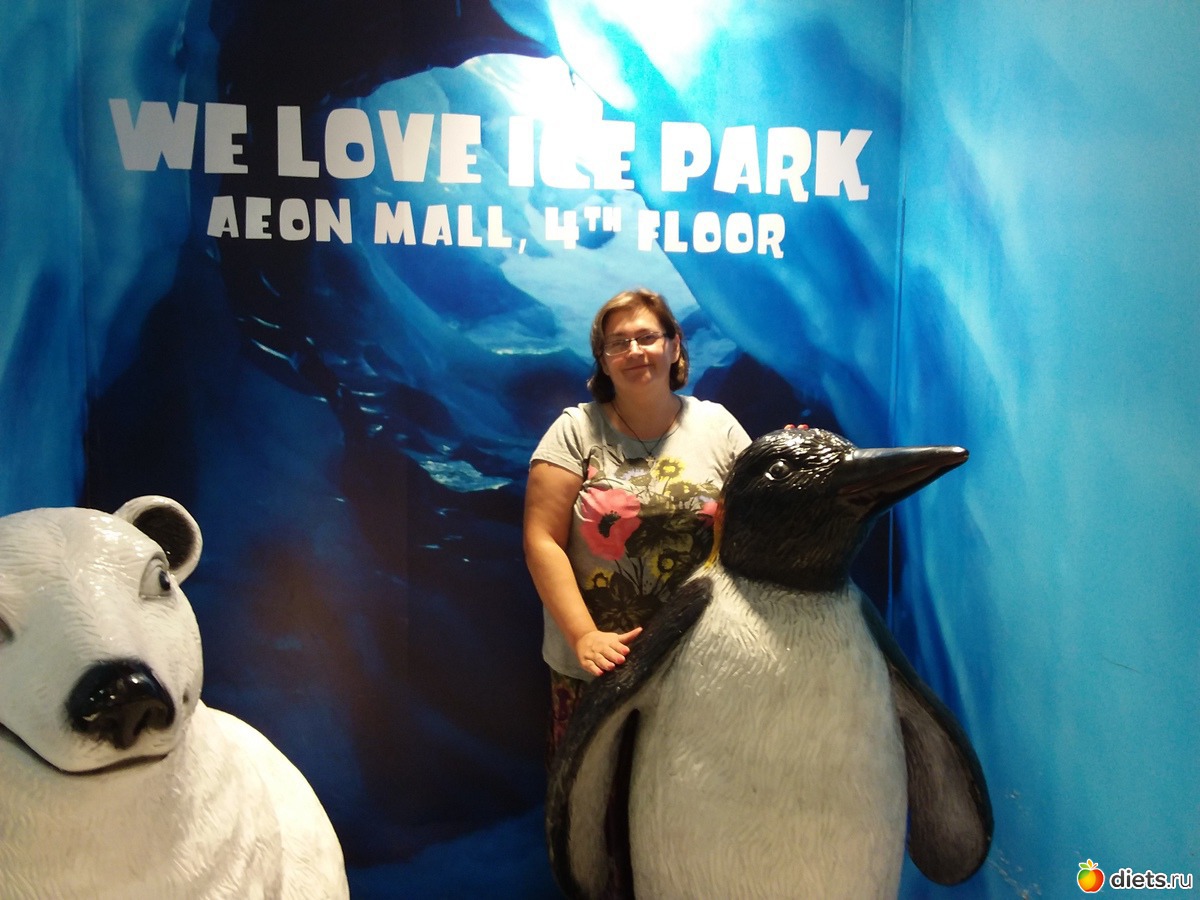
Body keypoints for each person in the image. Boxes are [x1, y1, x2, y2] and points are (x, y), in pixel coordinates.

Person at [524, 288, 750, 759]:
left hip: (699, 659)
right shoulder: (574, 430)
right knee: (594, 795)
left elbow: (759, 519)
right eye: (617, 343)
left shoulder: (719, 426)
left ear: (674, 345)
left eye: (647, 337)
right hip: (597, 667)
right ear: (603, 361)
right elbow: (542, 539)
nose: (634, 351)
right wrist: (584, 635)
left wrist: (786, 455)